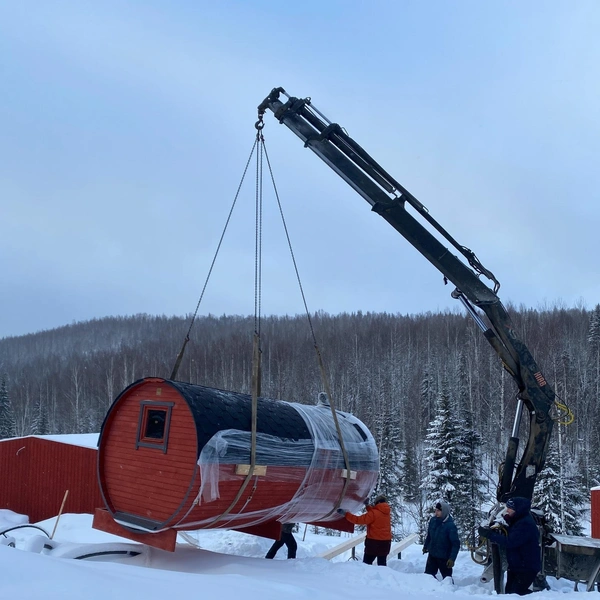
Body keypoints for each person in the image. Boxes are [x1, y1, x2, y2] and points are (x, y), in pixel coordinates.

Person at [478, 496, 541, 596]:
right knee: (510, 594)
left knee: (516, 594)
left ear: (518, 509)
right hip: (517, 566)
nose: (507, 510)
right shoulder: (517, 519)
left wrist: (489, 535)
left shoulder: (525, 524)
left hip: (526, 567)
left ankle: (541, 597)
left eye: (510, 508)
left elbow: (510, 541)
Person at [337, 495, 392, 566]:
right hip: (386, 543)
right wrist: (367, 506)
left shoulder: (373, 513)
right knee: (382, 564)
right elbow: (375, 514)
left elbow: (358, 520)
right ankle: (383, 576)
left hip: (374, 543)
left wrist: (345, 514)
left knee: (366, 564)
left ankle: (366, 577)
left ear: (377, 503)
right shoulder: (386, 513)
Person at [423, 500, 460, 581]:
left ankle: (450, 592)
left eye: (438, 511)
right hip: (432, 554)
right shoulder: (433, 521)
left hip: (444, 557)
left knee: (447, 579)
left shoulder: (450, 526)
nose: (436, 512)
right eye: (435, 510)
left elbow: (455, 544)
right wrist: (426, 546)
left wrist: (452, 559)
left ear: (444, 511)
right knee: (428, 576)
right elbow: (429, 535)